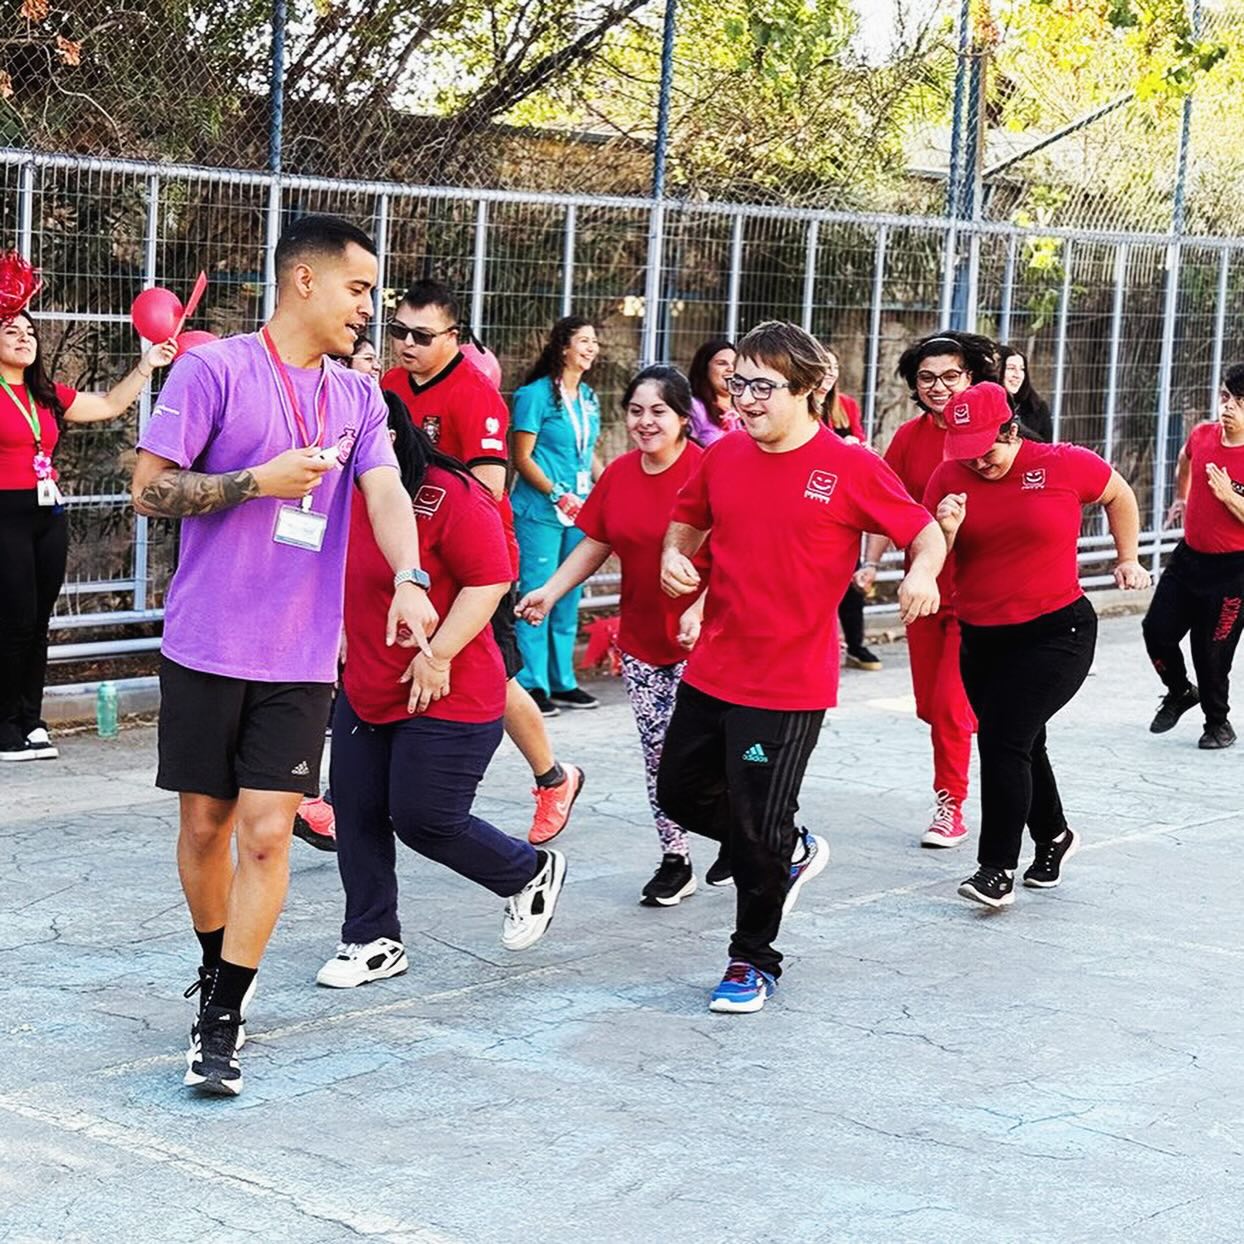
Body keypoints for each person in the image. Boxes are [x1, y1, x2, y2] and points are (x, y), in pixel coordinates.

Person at [130, 214, 438, 1098]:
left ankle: (222, 1015)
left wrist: (411, 577)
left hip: (300, 657)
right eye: (360, 289)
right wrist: (256, 482)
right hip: (205, 644)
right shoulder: (213, 369)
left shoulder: (357, 397)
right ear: (305, 281)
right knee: (205, 828)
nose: (369, 309)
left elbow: (383, 490)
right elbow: (148, 490)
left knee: (268, 835)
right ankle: (211, 960)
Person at [657, 321, 945, 1013]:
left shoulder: (848, 466)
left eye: (763, 386)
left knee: (756, 824)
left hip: (787, 684)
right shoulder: (721, 456)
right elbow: (688, 519)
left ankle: (752, 960)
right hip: (714, 665)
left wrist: (922, 575)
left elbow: (922, 530)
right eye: (737, 384)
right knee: (679, 793)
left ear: (813, 390)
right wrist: (675, 555)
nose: (744, 400)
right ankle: (785, 847)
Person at [317, 410, 567, 988]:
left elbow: (490, 579)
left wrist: (438, 655)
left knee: (425, 818)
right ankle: (371, 938)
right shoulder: (332, 489)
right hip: (369, 682)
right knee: (355, 813)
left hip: (449, 685)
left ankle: (528, 870)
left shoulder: (449, 493)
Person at [926, 381, 1150, 910]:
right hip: (982, 635)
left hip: (1058, 632)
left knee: (1003, 739)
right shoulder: (948, 477)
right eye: (967, 455)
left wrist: (1128, 557)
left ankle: (994, 869)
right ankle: (1053, 836)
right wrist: (946, 528)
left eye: (988, 452)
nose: (978, 464)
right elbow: (931, 555)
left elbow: (1120, 494)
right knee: (1023, 741)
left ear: (1010, 427)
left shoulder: (1064, 463)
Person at [380, 281, 584, 845]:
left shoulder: (475, 396)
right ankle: (348, 795)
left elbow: (488, 489)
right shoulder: (391, 384)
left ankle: (553, 777)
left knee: (494, 674)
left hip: (474, 564)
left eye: (421, 335)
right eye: (398, 331)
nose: (406, 344)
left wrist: (421, 511)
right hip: (411, 557)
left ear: (455, 338)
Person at [517, 366, 717, 906]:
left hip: (715, 639)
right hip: (645, 642)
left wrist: (701, 606)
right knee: (659, 756)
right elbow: (596, 542)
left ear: (682, 418)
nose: (645, 422)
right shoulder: (622, 474)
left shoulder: (711, 470)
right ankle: (675, 856)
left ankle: (739, 833)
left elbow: (743, 553)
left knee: (712, 752)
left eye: (658, 412)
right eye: (635, 411)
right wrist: (550, 591)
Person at [1, 299, 176, 762]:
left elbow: (110, 404)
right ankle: (4, 726)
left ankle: (31, 720)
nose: (24, 338)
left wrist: (146, 365)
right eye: (11, 330)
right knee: (14, 620)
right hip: (5, 512)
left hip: (48, 511)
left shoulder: (45, 394)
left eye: (29, 332)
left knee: (39, 621)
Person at [856, 330, 998, 848]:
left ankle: (950, 804)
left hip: (978, 595)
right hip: (922, 592)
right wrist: (869, 567)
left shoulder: (994, 436)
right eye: (926, 378)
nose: (938, 387)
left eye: (950, 376)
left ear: (971, 378)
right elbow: (880, 506)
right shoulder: (908, 439)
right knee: (929, 707)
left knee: (948, 705)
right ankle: (974, 729)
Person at [1142, 364, 1244, 750]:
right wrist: (1183, 496)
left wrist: (1230, 497)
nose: (1228, 407)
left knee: (1211, 652)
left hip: (1233, 571)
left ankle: (1218, 723)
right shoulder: (1203, 435)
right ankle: (1180, 690)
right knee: (1156, 631)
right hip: (1189, 560)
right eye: (1225, 397)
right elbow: (1186, 461)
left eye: (1239, 401)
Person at [510, 315, 603, 716]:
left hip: (580, 510)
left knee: (568, 597)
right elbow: (522, 457)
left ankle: (563, 680)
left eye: (595, 342)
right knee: (538, 592)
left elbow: (588, 453)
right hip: (542, 511)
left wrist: (608, 487)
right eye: (584, 340)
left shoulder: (589, 398)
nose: (592, 348)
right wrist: (557, 494)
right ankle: (532, 682)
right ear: (563, 346)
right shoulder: (534, 396)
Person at [815, 346, 882, 673]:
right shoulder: (802, 408)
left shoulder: (847, 406)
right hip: (815, 495)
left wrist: (858, 448)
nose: (828, 374)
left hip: (843, 496)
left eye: (833, 368)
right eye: (822, 367)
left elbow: (859, 441)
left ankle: (855, 644)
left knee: (850, 573)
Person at [687, 337, 740, 446]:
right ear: (704, 369)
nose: (731, 368)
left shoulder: (747, 407)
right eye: (722, 363)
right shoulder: (694, 408)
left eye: (735, 364)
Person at [1000, 345, 1053, 442]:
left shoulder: (1038, 407)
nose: (1017, 375)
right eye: (1011, 368)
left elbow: (1047, 447)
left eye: (1022, 369)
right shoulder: (988, 405)